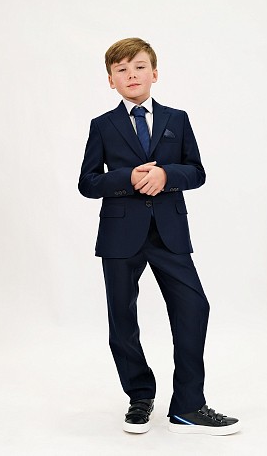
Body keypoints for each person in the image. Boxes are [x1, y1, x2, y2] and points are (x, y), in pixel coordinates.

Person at [78, 37, 240, 436]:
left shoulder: (177, 119)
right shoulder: (103, 125)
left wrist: (166, 174)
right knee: (122, 320)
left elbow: (196, 172)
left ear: (154, 73)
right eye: (121, 70)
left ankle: (188, 406)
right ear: (111, 81)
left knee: (194, 307)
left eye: (139, 66)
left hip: (169, 233)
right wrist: (126, 179)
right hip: (119, 235)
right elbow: (88, 182)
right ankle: (139, 395)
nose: (131, 74)